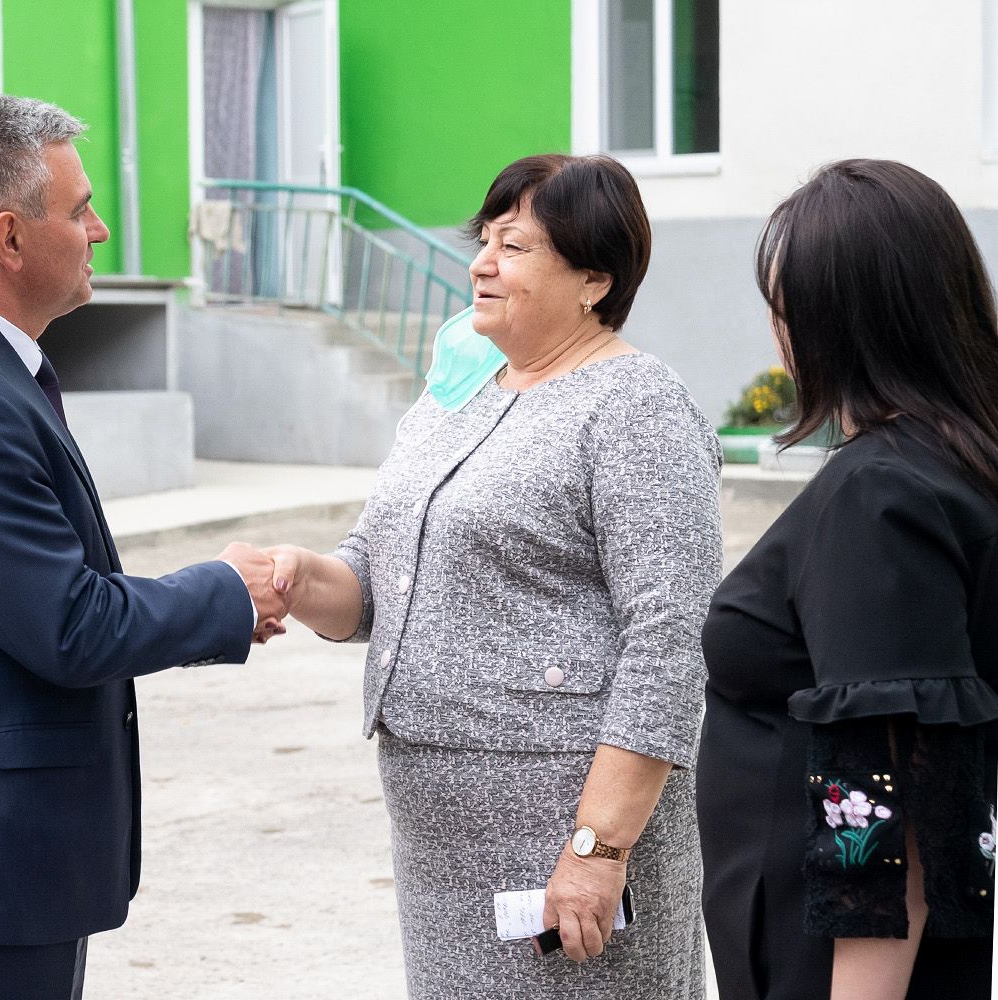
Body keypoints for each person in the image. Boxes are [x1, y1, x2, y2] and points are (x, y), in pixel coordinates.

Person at [0, 94, 287, 1000]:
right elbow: (69, 624)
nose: (101, 230)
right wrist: (227, 591)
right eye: (80, 210)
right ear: (9, 238)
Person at [263, 154, 722, 998]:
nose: (481, 263)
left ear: (593, 280)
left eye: (513, 247)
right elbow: (377, 575)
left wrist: (598, 848)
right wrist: (301, 577)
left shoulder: (636, 405)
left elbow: (669, 639)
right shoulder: (458, 398)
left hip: (564, 831)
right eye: (484, 240)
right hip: (443, 844)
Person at [698, 159, 998, 999]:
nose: (777, 333)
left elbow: (891, 805)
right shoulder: (948, 463)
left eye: (784, 306)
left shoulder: (879, 492)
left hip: (833, 964)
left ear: (840, 317)